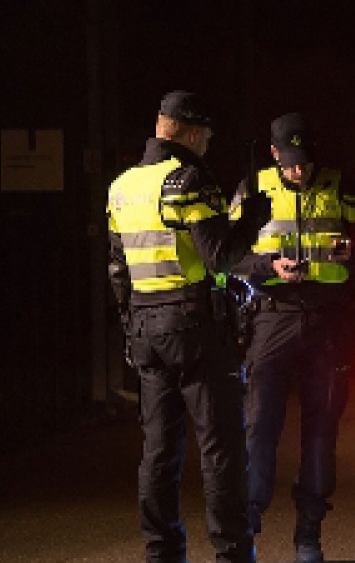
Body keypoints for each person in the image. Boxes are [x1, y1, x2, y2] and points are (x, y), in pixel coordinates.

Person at [106, 90, 270, 563]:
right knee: (221, 451)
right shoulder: (189, 180)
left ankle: (161, 553)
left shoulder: (121, 187)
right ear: (192, 133)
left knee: (159, 451)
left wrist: (130, 328)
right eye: (208, 137)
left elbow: (117, 269)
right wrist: (251, 220)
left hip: (145, 331)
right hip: (197, 331)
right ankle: (232, 553)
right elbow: (221, 254)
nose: (209, 145)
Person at [228, 112, 355, 563]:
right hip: (272, 319)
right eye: (290, 162)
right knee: (260, 428)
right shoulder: (252, 190)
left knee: (320, 432)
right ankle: (248, 525)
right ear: (274, 154)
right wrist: (268, 268)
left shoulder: (341, 186)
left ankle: (308, 536)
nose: (299, 170)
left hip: (326, 320)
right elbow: (228, 256)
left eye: (305, 161)